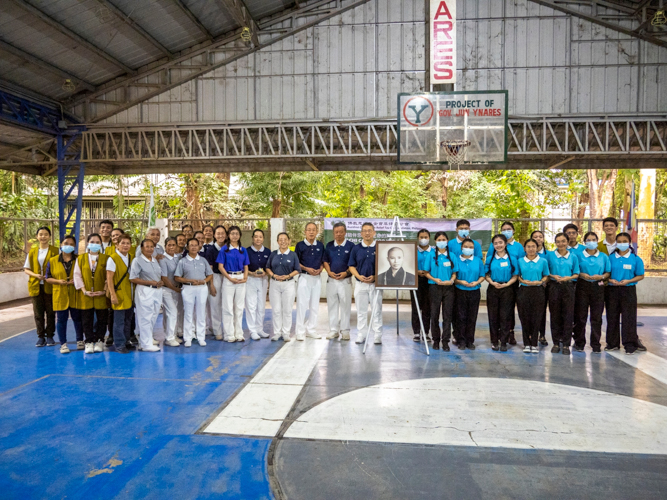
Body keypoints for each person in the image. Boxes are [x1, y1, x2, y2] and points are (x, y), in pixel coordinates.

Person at [605, 233, 645, 355]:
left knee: (629, 317)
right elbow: (605, 273)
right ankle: (612, 343)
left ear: (629, 242)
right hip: (612, 290)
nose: (622, 243)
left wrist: (629, 280)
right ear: (616, 243)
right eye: (619, 241)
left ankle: (630, 344)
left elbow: (640, 275)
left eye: (625, 241)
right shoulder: (610, 258)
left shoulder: (635, 258)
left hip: (628, 290)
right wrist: (610, 280)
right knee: (612, 317)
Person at [573, 232, 611, 353]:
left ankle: (595, 344)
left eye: (594, 239)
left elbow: (608, 272)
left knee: (596, 317)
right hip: (582, 286)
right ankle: (579, 343)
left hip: (598, 286)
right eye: (588, 240)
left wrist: (601, 276)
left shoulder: (603, 256)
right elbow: (574, 270)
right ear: (584, 242)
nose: (591, 242)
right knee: (580, 316)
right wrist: (581, 274)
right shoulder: (578, 255)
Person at [46, 234, 84, 354]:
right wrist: (58, 281)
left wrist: (77, 281)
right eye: (66, 243)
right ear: (61, 245)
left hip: (75, 293)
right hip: (60, 294)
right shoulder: (52, 261)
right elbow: (48, 278)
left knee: (78, 319)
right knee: (61, 320)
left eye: (71, 244)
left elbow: (84, 275)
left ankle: (80, 340)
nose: (68, 246)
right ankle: (63, 344)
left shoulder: (79, 259)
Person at [448, 219, 482, 345]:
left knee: (470, 315)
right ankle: (457, 335)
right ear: (456, 229)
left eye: (466, 228)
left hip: (473, 287)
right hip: (455, 284)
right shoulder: (451, 244)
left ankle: (468, 339)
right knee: (456, 313)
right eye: (461, 228)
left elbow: (478, 262)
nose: (464, 230)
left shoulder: (476, 245)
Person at [73, 233, 108, 354]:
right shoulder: (81, 258)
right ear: (88, 243)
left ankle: (99, 340)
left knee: (102, 319)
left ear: (101, 244)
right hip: (86, 294)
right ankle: (88, 342)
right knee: (86, 320)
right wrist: (84, 291)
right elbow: (77, 275)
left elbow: (109, 277)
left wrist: (104, 290)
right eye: (92, 242)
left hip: (101, 295)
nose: (95, 244)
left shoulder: (106, 258)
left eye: (98, 242)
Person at [24, 226, 58, 347]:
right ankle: (40, 336)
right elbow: (26, 269)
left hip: (50, 286)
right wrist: (36, 275)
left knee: (50, 312)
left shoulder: (55, 250)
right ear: (37, 236)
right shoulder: (33, 251)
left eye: (45, 234)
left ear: (49, 236)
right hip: (36, 285)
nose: (43, 236)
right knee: (38, 313)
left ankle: (50, 336)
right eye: (40, 234)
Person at [175, 238, 213, 347]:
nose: (193, 247)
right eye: (191, 245)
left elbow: (210, 274)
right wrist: (189, 280)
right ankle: (188, 337)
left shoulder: (203, 260)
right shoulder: (183, 261)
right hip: (188, 289)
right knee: (188, 313)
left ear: (199, 247)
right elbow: (177, 277)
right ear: (187, 247)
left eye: (196, 245)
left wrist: (204, 281)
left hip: (202, 288)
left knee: (201, 313)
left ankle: (201, 337)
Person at [546, 233, 580, 354]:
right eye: (558, 241)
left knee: (568, 315)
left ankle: (566, 344)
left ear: (567, 242)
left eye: (563, 241)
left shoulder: (573, 257)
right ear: (555, 243)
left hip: (568, 286)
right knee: (554, 315)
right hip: (554, 286)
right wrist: (552, 276)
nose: (561, 244)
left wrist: (567, 278)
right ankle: (556, 343)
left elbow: (576, 273)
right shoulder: (550, 256)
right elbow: (546, 271)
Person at [349, 223, 382, 345]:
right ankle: (361, 334)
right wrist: (359, 277)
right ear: (361, 234)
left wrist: (375, 276)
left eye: (370, 231)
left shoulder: (379, 247)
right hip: (360, 284)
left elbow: (384, 266)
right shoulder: (356, 249)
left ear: (374, 233)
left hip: (375, 285)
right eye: (365, 231)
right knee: (361, 311)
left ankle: (378, 335)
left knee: (376, 310)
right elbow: (351, 266)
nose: (367, 233)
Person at [423, 231, 457, 351]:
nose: (441, 242)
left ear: (447, 241)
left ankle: (446, 341)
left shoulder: (452, 255)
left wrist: (451, 281)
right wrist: (434, 279)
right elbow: (426, 272)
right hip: (434, 287)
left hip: (449, 288)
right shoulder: (430, 255)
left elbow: (454, 272)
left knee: (447, 315)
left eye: (443, 240)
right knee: (434, 315)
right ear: (435, 242)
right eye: (439, 240)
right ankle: (436, 340)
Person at [484, 234, 519, 352]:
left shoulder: (512, 258)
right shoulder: (490, 259)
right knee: (493, 316)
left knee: (505, 316)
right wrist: (492, 283)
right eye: (496, 243)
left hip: (507, 289)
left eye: (500, 242)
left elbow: (515, 275)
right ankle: (494, 341)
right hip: (493, 288)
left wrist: (507, 284)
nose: (498, 245)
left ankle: (504, 341)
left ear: (505, 244)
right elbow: (486, 274)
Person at [516, 239, 550, 353]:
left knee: (537, 317)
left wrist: (539, 282)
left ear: (537, 248)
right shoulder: (520, 261)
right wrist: (522, 280)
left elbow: (546, 276)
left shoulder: (543, 261)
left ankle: (534, 343)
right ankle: (526, 343)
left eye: (533, 246)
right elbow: (517, 275)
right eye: (528, 246)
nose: (531, 249)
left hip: (538, 291)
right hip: (524, 291)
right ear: (524, 248)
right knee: (524, 317)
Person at [129, 239, 164, 352]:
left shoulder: (154, 260)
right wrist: (150, 282)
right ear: (142, 248)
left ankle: (146, 339)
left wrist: (160, 282)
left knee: (153, 316)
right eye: (147, 246)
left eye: (151, 246)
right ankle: (145, 344)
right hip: (145, 291)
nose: (149, 249)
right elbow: (133, 278)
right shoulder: (137, 261)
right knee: (145, 318)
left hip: (156, 291)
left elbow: (158, 275)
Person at [266, 232, 301, 341]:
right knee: (276, 309)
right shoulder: (273, 254)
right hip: (275, 284)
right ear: (277, 242)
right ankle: (277, 332)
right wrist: (273, 275)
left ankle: (286, 333)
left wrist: (288, 276)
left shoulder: (293, 254)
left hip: (288, 284)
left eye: (285, 239)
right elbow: (267, 267)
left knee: (287, 310)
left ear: (289, 241)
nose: (283, 241)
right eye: (280, 239)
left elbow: (297, 270)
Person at [217, 226, 249, 342]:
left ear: (239, 235)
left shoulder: (243, 250)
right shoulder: (224, 249)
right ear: (228, 235)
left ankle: (239, 334)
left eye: (236, 233)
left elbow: (246, 266)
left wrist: (245, 277)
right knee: (228, 308)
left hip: (241, 278)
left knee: (239, 308)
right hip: (229, 278)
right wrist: (229, 278)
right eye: (232, 233)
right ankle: (229, 334)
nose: (234, 236)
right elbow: (220, 267)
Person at [323, 222, 355, 341]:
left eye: (341, 232)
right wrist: (329, 271)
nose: (338, 234)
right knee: (332, 306)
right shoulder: (329, 245)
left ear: (345, 232)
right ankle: (333, 330)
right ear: (333, 233)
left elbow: (353, 263)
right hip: (331, 281)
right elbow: (325, 260)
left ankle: (345, 331)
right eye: (336, 232)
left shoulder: (351, 246)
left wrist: (345, 273)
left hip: (345, 281)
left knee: (345, 306)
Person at [295, 223, 325, 341]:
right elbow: (296, 262)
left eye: (313, 230)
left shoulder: (320, 245)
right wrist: (307, 269)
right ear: (305, 231)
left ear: (317, 231)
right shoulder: (300, 245)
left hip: (316, 279)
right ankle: (300, 331)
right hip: (304, 277)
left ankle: (311, 330)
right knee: (302, 305)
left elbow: (323, 261)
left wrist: (321, 269)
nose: (311, 232)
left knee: (314, 306)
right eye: (309, 230)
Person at [454, 238, 485, 350]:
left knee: (472, 317)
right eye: (466, 247)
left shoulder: (478, 260)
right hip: (460, 291)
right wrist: (460, 281)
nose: (468, 249)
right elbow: (453, 276)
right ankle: (461, 340)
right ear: (461, 248)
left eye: (471, 247)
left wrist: (476, 282)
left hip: (474, 291)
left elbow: (482, 275)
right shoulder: (456, 260)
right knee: (460, 317)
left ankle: (470, 340)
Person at [106, 234, 135, 354]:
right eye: (123, 243)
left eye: (128, 243)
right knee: (119, 321)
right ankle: (119, 344)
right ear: (117, 245)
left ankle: (127, 340)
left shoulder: (131, 257)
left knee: (128, 319)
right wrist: (113, 295)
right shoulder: (112, 258)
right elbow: (109, 278)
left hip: (129, 294)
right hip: (118, 293)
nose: (125, 245)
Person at [499, 222, 525, 346]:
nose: (506, 231)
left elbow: (522, 264)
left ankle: (510, 332)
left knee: (509, 310)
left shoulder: (519, 247)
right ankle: (500, 332)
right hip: (498, 283)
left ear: (513, 231)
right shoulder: (497, 245)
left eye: (508, 229)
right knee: (499, 310)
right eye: (503, 229)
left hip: (513, 283)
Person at [246, 229, 271, 341]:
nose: (258, 239)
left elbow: (269, 266)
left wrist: (266, 273)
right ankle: (252, 331)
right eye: (256, 236)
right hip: (251, 280)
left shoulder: (267, 252)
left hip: (263, 280)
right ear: (252, 238)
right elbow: (244, 267)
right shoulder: (246, 251)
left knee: (261, 306)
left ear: (263, 239)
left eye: (260, 237)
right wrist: (252, 273)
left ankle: (259, 329)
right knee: (251, 306)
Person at [159, 237, 183, 347]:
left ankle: (172, 334)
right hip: (166, 290)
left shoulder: (178, 258)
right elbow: (164, 278)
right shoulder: (163, 259)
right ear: (165, 246)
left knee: (171, 313)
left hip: (176, 290)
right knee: (172, 312)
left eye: (173, 245)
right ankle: (169, 338)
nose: (171, 247)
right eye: (169, 245)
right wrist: (175, 288)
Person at [204, 225, 226, 340]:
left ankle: (228, 330)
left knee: (227, 305)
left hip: (227, 278)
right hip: (216, 277)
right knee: (215, 304)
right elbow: (210, 270)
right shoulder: (211, 250)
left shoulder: (229, 248)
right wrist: (211, 284)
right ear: (214, 235)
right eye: (218, 233)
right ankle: (217, 330)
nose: (220, 235)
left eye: (222, 233)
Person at [530, 229, 549, 346]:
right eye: (535, 237)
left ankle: (542, 334)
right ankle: (532, 333)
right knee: (531, 312)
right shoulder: (527, 253)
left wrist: (544, 281)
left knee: (541, 312)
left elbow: (549, 270)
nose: (538, 239)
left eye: (540, 237)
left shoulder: (549, 254)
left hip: (545, 287)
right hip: (529, 287)